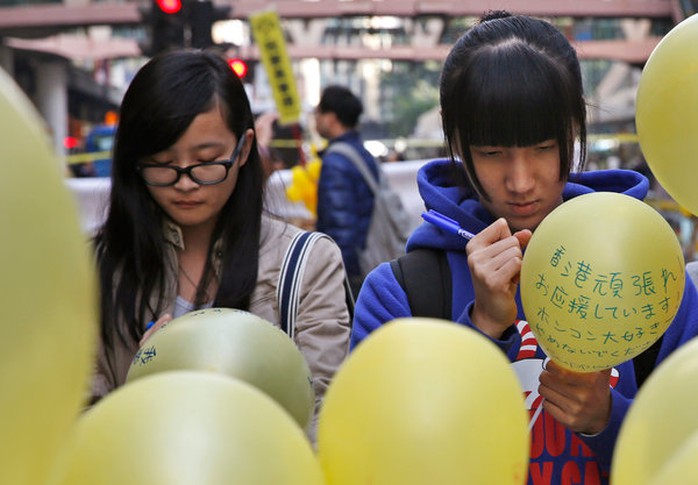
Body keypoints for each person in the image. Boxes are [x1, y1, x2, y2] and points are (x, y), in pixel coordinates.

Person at [351, 12, 698, 484]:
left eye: (542, 148)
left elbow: (685, 447)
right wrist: (483, 328)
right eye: (492, 154)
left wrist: (607, 419)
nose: (520, 181)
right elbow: (371, 458)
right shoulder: (402, 292)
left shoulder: (651, 277)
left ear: (574, 129)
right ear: (457, 143)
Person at [89, 50, 352, 438]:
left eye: (206, 160)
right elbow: (75, 424)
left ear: (244, 149)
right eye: (162, 162)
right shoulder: (92, 267)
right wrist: (143, 390)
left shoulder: (307, 263)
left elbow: (319, 421)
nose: (184, 182)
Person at [314, 85, 380, 296]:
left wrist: (338, 277)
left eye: (318, 112)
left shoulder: (335, 161)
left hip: (353, 271)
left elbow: (341, 227)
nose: (315, 118)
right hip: (370, 259)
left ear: (330, 118)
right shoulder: (361, 152)